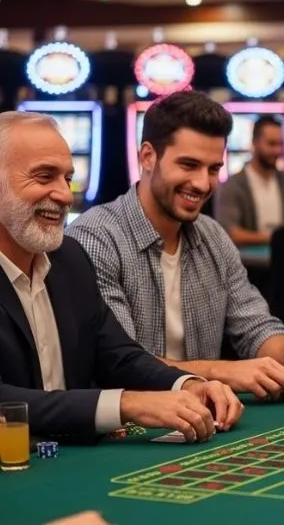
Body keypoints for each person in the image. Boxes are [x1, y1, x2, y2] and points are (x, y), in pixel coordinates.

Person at [67, 91, 284, 402]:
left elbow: (255, 324)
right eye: (188, 165)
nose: (203, 184)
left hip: (207, 420)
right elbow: (121, 363)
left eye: (214, 169)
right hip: (126, 431)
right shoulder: (96, 239)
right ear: (147, 157)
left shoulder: (213, 237)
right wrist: (224, 372)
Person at [0, 111, 242, 442]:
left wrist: (186, 384)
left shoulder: (68, 259)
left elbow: (117, 354)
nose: (65, 195)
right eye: (44, 177)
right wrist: (126, 404)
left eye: (67, 178)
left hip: (67, 465)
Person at [214, 114, 284, 246]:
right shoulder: (232, 185)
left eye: (280, 144)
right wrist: (277, 238)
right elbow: (229, 233)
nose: (277, 150)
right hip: (246, 263)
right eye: (271, 144)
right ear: (254, 143)